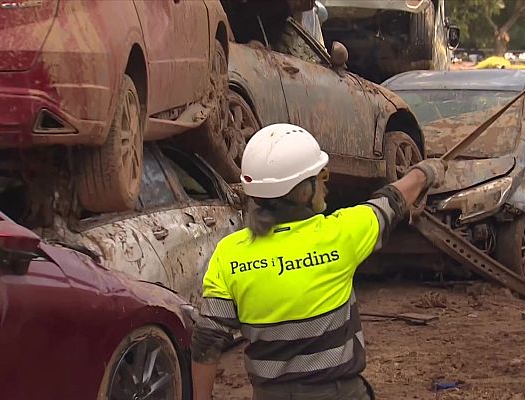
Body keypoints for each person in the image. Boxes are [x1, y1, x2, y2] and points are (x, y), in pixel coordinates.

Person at [190, 123, 447, 400]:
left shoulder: (230, 253)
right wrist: (426, 172)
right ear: (302, 193)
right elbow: (392, 201)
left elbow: (208, 341)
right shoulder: (340, 235)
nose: (325, 183)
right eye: (320, 175)